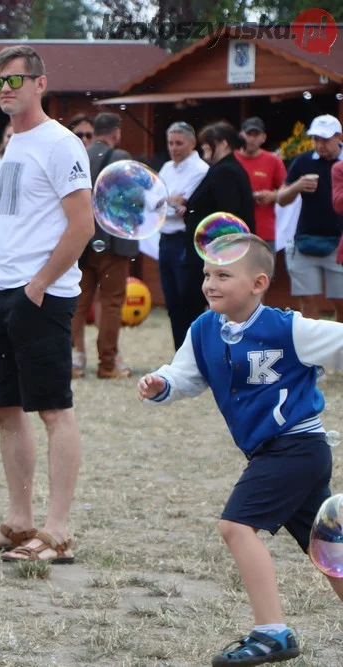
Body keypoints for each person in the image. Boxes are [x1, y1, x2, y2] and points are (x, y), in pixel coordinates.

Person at [138, 234, 343, 667]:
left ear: (258, 283)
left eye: (224, 275)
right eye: (207, 274)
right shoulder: (203, 329)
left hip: (296, 448)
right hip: (274, 453)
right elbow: (184, 375)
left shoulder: (290, 328)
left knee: (235, 526)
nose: (210, 283)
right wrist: (162, 384)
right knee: (327, 544)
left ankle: (273, 634)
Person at [0, 45, 93, 561]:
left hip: (44, 294)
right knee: (5, 409)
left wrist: (38, 283)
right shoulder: (14, 144)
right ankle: (19, 522)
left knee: (54, 410)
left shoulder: (61, 144)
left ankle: (56, 533)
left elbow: (83, 224)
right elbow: (13, 219)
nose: (5, 88)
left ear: (40, 83)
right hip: (3, 290)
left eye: (16, 80)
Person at [71, 112, 138, 380]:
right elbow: (133, 199)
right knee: (111, 303)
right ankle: (107, 364)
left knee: (77, 302)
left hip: (80, 240)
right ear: (116, 132)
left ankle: (74, 362)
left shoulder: (79, 156)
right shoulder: (121, 158)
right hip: (114, 241)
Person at [179, 122, 256, 342]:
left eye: (206, 147)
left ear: (222, 144)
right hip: (214, 254)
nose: (203, 152)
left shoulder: (226, 171)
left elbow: (227, 216)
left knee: (193, 305)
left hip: (216, 255)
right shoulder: (224, 169)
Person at [278, 115, 343, 321]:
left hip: (339, 242)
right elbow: (281, 199)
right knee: (307, 300)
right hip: (305, 239)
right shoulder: (303, 160)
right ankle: (312, 349)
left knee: (341, 301)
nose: (319, 144)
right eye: (315, 139)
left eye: (324, 139)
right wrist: (297, 186)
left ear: (339, 137)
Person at [154, 122, 210, 350]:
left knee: (188, 301)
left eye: (179, 143)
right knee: (172, 304)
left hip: (184, 241)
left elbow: (183, 207)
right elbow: (152, 203)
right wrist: (168, 201)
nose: (173, 148)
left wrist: (164, 202)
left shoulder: (200, 170)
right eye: (170, 143)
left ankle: (195, 352)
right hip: (165, 241)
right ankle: (180, 353)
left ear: (192, 143)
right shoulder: (166, 167)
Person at [236, 117, 286, 255]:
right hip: (235, 231)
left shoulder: (273, 161)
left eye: (255, 135)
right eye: (248, 134)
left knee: (264, 275)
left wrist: (273, 195)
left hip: (265, 232)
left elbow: (287, 191)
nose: (251, 139)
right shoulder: (231, 159)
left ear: (263, 138)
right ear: (241, 135)